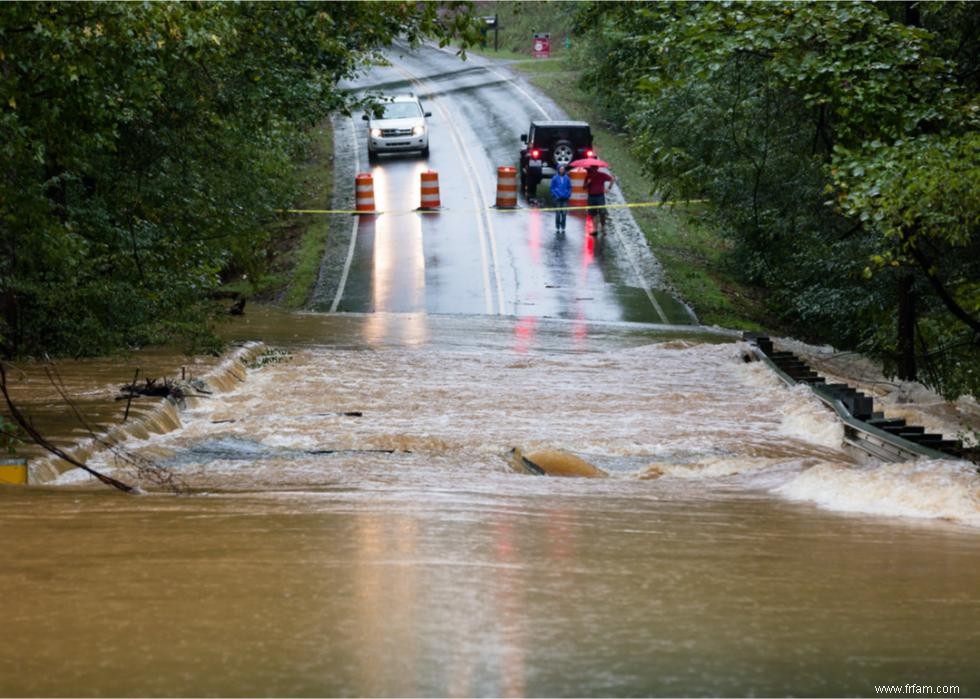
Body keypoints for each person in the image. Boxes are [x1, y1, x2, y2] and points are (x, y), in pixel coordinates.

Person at [585, 165, 615, 235]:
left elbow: (612, 179)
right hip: (591, 196)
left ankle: (603, 228)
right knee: (593, 213)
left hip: (600, 196)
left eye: (595, 168)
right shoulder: (588, 176)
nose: (593, 169)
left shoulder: (601, 175)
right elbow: (584, 187)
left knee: (602, 212)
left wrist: (609, 188)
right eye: (592, 168)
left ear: (597, 168)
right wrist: (588, 183)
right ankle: (595, 229)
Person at [549, 164, 572, 233]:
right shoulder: (555, 178)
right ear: (558, 170)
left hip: (565, 198)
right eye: (560, 169)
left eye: (563, 169)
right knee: (558, 213)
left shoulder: (567, 178)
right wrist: (555, 195)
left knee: (564, 213)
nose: (562, 170)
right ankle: (557, 226)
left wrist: (568, 194)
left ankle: (563, 226)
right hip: (557, 198)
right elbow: (552, 188)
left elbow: (569, 187)